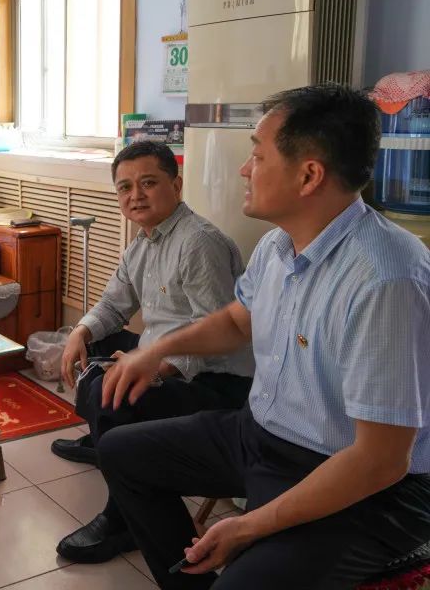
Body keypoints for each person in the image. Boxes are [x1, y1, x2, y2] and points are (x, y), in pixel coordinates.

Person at [99, 84, 430, 588]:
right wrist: (158, 349)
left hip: (369, 486)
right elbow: (238, 321)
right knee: (122, 452)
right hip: (268, 436)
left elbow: (381, 460)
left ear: (309, 175)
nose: (243, 170)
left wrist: (248, 525)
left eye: (256, 155)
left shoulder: (386, 278)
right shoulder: (278, 245)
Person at [51, 140, 255, 564]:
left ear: (176, 185)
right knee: (96, 353)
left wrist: (157, 369)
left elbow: (217, 335)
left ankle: (120, 517)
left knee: (112, 393)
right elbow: (113, 305)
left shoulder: (198, 243)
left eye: (148, 183)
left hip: (216, 381)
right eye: (125, 187)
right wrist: (79, 332)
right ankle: (102, 441)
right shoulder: (141, 245)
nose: (135, 196)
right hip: (162, 359)